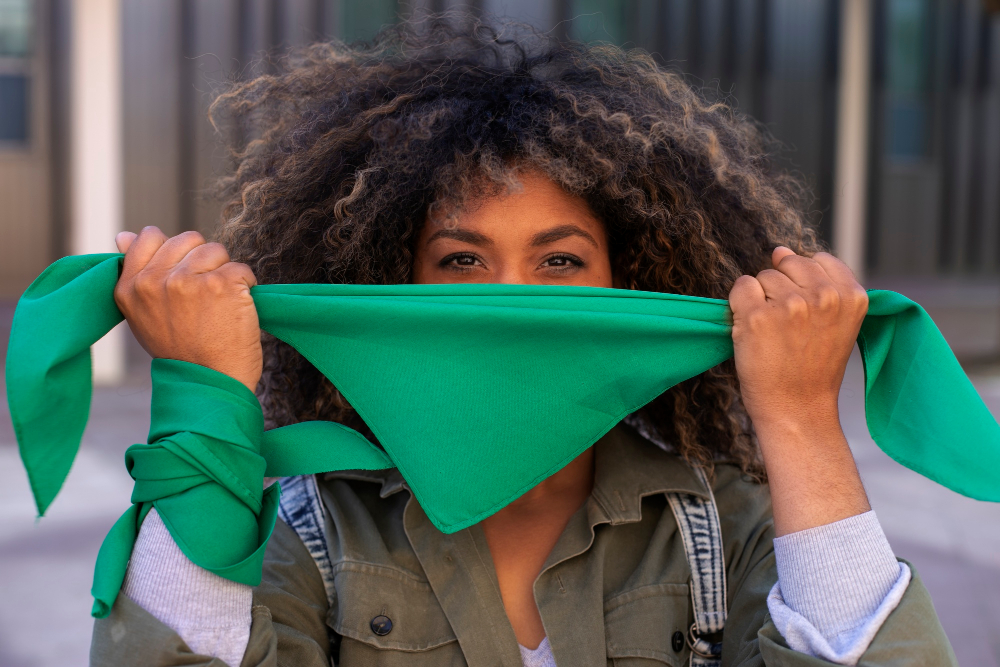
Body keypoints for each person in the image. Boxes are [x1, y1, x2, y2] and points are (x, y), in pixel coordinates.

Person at [90, 19, 955, 667]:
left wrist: (802, 417)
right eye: (462, 258)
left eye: (561, 260)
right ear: (399, 286)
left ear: (632, 281)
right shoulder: (316, 530)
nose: (512, 304)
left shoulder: (720, 525)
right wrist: (206, 400)